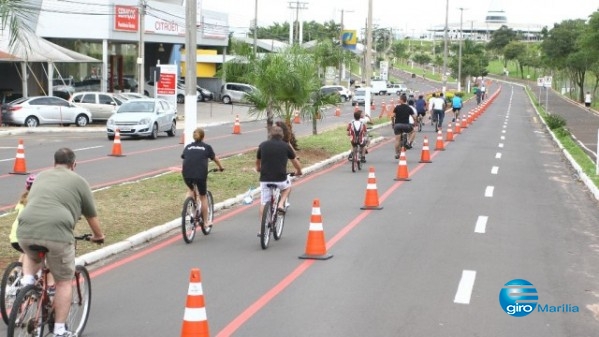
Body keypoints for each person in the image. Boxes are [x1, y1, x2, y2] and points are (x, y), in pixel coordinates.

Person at [17, 148, 104, 337]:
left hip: (24, 229)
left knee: (32, 254)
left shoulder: (41, 177)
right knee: (64, 282)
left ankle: (27, 284)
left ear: (54, 163)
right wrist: (98, 236)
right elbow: (91, 216)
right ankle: (59, 330)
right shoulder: (79, 181)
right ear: (74, 165)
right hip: (57, 233)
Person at [256, 125, 302, 223]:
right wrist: (298, 171)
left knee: (264, 203)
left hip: (265, 179)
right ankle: (281, 204)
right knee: (287, 188)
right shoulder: (285, 146)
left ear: (270, 135)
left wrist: (258, 169)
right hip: (280, 179)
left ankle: (262, 230)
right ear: (282, 135)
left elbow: (257, 162)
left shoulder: (262, 145)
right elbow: (295, 162)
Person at [181, 127, 225, 228]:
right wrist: (221, 167)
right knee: (203, 196)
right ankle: (205, 222)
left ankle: (186, 210)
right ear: (203, 137)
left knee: (190, 190)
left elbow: (185, 157)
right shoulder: (206, 147)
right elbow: (215, 159)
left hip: (186, 174)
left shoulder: (188, 147)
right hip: (200, 175)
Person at [392, 94, 415, 158]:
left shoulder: (397, 107)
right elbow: (414, 117)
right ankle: (409, 142)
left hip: (397, 125)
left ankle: (397, 153)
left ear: (402, 100)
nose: (399, 100)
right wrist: (415, 122)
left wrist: (393, 123)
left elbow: (392, 116)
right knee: (413, 132)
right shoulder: (409, 108)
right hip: (406, 125)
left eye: (399, 99)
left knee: (397, 140)